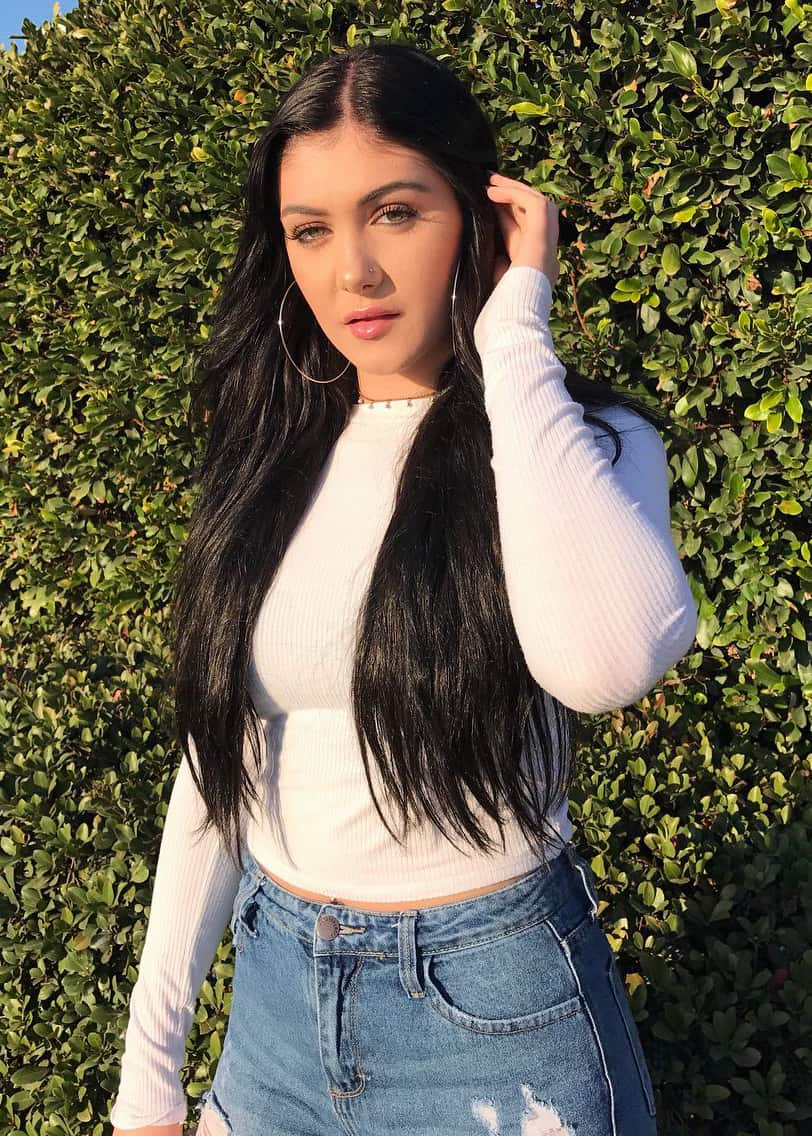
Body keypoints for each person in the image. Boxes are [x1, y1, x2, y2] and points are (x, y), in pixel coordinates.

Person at [109, 42, 696, 1136]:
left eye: (394, 213)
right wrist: (150, 1074)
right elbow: (218, 763)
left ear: (478, 215)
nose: (353, 273)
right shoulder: (267, 457)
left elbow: (604, 661)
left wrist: (514, 325)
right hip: (275, 1016)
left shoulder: (583, 445)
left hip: (498, 1023)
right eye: (310, 230)